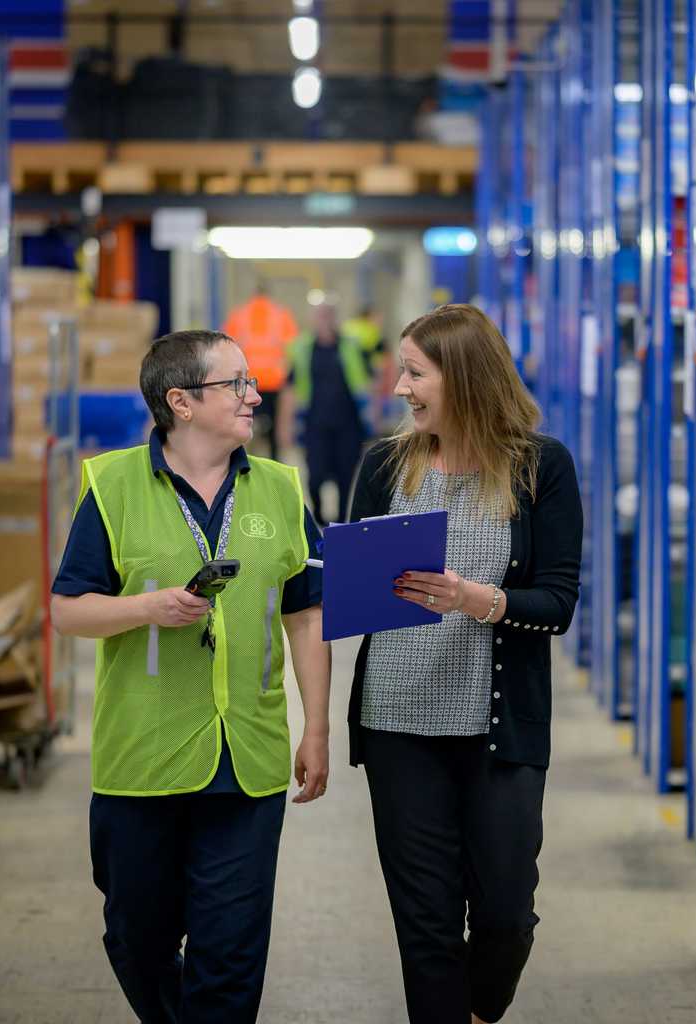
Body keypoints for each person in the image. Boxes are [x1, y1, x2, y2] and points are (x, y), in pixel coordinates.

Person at [50, 329, 331, 1024]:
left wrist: (316, 726)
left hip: (249, 759)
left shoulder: (279, 488)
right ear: (181, 401)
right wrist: (145, 607)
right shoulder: (112, 486)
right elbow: (66, 610)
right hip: (142, 758)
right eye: (235, 383)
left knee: (230, 953)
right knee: (137, 939)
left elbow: (305, 615)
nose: (253, 393)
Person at [347, 303, 583, 1024]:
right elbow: (356, 595)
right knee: (427, 928)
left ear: (466, 378)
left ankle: (480, 1011)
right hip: (398, 725)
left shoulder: (542, 467)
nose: (400, 387)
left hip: (497, 733)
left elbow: (558, 602)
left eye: (415, 373)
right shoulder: (383, 464)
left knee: (507, 916)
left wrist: (477, 599)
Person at [283, 302, 371, 525]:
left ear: (335, 318)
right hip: (315, 425)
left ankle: (342, 523)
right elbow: (291, 389)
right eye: (320, 315)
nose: (324, 320)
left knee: (346, 477)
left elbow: (369, 379)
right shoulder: (303, 348)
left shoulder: (350, 346)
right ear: (312, 319)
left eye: (328, 315)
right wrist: (285, 425)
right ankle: (320, 515)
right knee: (315, 477)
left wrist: (374, 414)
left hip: (348, 424)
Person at [222, 281, 299, 461]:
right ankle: (273, 462)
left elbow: (226, 346)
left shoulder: (239, 314)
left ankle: (244, 462)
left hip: (247, 381)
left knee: (244, 425)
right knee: (273, 430)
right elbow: (292, 348)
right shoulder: (281, 314)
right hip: (274, 380)